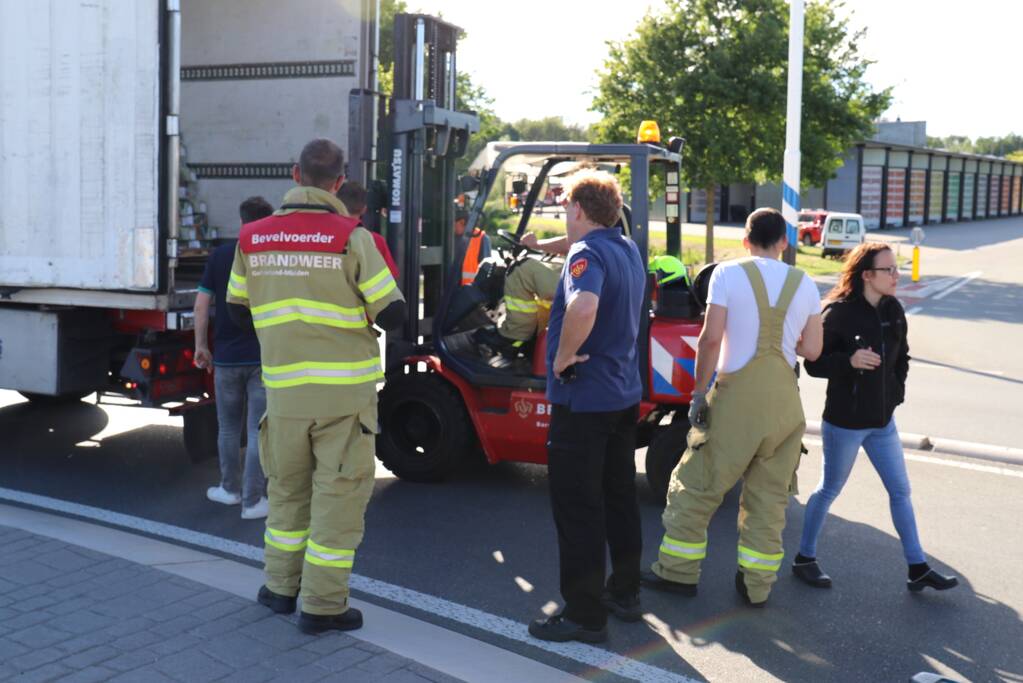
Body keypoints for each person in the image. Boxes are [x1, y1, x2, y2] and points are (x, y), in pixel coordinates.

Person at [227, 139, 406, 634]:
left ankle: (279, 589)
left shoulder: (252, 238)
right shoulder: (353, 238)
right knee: (336, 501)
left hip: (284, 396)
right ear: (339, 182)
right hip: (343, 400)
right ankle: (322, 606)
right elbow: (394, 314)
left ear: (295, 174)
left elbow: (236, 312)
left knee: (286, 494)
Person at [642, 208, 823, 607]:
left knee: (696, 487)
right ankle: (756, 587)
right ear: (784, 242)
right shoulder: (805, 283)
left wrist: (697, 394)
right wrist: (785, 337)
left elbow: (710, 340)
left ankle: (677, 573)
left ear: (745, 240)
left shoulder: (727, 274)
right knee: (769, 500)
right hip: (784, 404)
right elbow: (812, 349)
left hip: (736, 401)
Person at [795, 242, 958, 592]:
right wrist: (849, 361)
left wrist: (895, 395)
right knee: (829, 489)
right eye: (890, 270)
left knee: (900, 491)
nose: (897, 275)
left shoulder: (893, 309)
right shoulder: (838, 314)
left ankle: (917, 567)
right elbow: (813, 364)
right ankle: (804, 558)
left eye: (896, 268)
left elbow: (903, 357)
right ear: (867, 275)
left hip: (883, 423)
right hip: (845, 423)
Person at [527, 170, 646, 644]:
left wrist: (561, 357)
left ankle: (585, 615)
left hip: (583, 400)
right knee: (619, 497)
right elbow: (579, 252)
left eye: (565, 208)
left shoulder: (586, 254)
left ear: (577, 209)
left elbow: (583, 306)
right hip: (622, 396)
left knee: (578, 508)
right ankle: (626, 593)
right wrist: (544, 246)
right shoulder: (625, 248)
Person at [195, 196, 274, 519]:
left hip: (226, 357)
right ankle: (253, 501)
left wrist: (202, 345)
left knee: (228, 428)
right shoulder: (272, 258)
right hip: (263, 356)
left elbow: (202, 305)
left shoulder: (221, 255)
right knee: (257, 430)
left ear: (241, 221)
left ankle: (229, 490)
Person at [336, 180, 399, 279]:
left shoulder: (324, 236)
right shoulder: (376, 240)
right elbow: (391, 277)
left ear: (336, 205)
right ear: (364, 209)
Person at [454, 208, 491, 286]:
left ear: (462, 222)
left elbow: (486, 268)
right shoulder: (449, 237)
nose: (451, 227)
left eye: (453, 223)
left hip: (470, 289)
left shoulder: (481, 238)